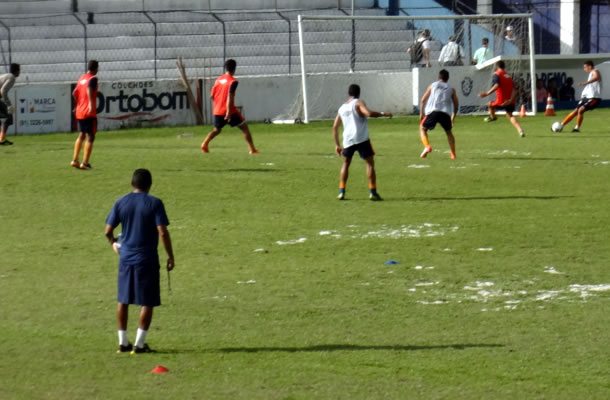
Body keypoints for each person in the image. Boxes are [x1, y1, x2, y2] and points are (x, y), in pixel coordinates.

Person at [105, 168, 175, 354]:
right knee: (148, 300)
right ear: (150, 185)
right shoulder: (155, 203)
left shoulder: (121, 202)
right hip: (147, 258)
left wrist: (114, 244)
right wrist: (170, 255)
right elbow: (162, 231)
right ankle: (140, 344)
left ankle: (123, 343)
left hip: (126, 258)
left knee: (123, 299)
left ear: (131, 183)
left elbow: (107, 230)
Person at [332, 84, 392, 201]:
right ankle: (373, 192)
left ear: (349, 93)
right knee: (369, 163)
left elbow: (335, 126)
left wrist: (337, 145)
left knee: (346, 163)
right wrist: (383, 114)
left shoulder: (342, 108)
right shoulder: (358, 103)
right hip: (361, 138)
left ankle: (341, 191)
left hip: (348, 139)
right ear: (358, 93)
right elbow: (368, 113)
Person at [201, 59, 259, 154]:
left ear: (225, 68)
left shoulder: (218, 80)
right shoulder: (233, 81)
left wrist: (218, 105)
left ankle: (204, 143)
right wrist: (228, 111)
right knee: (244, 128)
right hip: (229, 111)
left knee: (216, 130)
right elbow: (230, 96)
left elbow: (212, 95)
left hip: (218, 110)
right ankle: (252, 149)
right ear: (234, 69)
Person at [478, 60, 525, 138]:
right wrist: (510, 99)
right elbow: (514, 89)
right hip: (510, 100)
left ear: (496, 67)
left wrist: (487, 93)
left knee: (489, 104)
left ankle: (493, 117)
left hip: (501, 101)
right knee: (510, 115)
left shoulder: (497, 74)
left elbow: (497, 85)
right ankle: (520, 131)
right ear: (504, 67)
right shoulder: (508, 75)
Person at [419, 69, 459, 159]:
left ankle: (427, 146)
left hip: (433, 111)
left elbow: (422, 100)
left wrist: (421, 113)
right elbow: (456, 105)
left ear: (438, 77)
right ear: (447, 79)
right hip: (445, 113)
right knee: (449, 132)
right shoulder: (452, 89)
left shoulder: (432, 85)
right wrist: (453, 117)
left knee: (422, 128)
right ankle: (453, 154)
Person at [556, 60, 602, 133]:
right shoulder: (591, 74)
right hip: (586, 98)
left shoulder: (595, 71)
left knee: (580, 110)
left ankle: (576, 128)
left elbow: (596, 76)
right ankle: (561, 125)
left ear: (590, 66)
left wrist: (585, 83)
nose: (584, 69)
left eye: (585, 67)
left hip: (594, 98)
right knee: (575, 111)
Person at [71, 60, 99, 170]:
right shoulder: (93, 78)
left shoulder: (82, 78)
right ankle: (85, 163)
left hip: (80, 111)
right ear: (96, 68)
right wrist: (90, 104)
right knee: (91, 137)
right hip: (88, 112)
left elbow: (74, 93)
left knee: (82, 134)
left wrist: (78, 104)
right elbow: (89, 89)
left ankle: (75, 160)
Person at [0, 63, 20, 146]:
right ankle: (2, 139)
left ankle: (1, 139)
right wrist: (8, 104)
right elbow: (3, 91)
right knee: (8, 116)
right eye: (19, 70)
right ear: (16, 71)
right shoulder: (11, 77)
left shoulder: (7, 76)